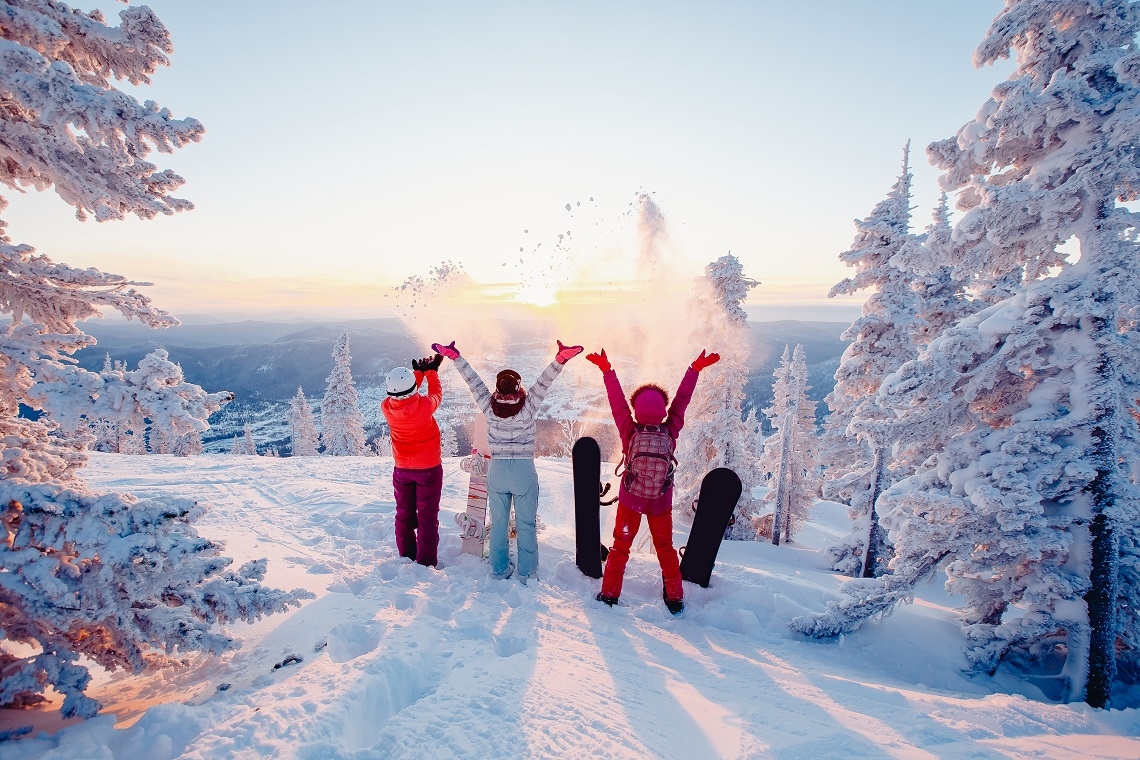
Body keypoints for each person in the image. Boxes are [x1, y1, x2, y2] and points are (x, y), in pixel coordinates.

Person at [432, 339, 583, 581]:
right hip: (523, 471)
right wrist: (560, 359)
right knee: (526, 525)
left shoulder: (489, 407)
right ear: (517, 388)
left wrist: (456, 358)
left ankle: (499, 569)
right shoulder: (527, 407)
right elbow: (544, 382)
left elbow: (473, 382)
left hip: (498, 470)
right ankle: (527, 571)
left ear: (498, 389)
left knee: (499, 524)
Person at [586, 347, 720, 614]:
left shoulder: (629, 430)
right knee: (666, 548)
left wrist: (607, 370)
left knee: (620, 547)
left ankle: (610, 594)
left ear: (636, 409)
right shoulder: (670, 430)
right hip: (660, 501)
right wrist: (694, 369)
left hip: (630, 501)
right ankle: (675, 597)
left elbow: (616, 402)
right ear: (663, 409)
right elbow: (683, 399)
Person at [381, 352, 444, 568]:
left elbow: (403, 395)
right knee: (427, 516)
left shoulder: (387, 408)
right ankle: (426, 562)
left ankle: (406, 554)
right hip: (428, 469)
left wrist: (417, 373)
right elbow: (436, 394)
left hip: (402, 469)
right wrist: (431, 373)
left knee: (404, 513)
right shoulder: (425, 406)